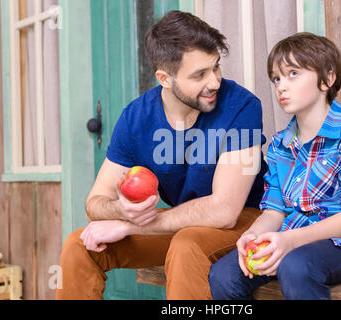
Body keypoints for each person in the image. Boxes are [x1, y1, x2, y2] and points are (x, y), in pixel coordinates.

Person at [55, 11, 268, 300]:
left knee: (186, 244)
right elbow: (95, 202)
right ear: (164, 78)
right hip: (182, 223)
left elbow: (224, 211)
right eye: (199, 74)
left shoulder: (242, 106)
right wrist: (122, 211)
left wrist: (127, 226)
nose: (215, 81)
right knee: (79, 244)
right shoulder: (136, 117)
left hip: (248, 219)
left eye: (216, 67)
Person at [209, 32, 341, 300]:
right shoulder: (280, 144)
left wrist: (290, 241)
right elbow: (275, 212)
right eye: (277, 78)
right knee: (223, 274)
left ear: (328, 79)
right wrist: (251, 236)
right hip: (290, 241)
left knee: (296, 266)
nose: (281, 86)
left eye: (293, 74)